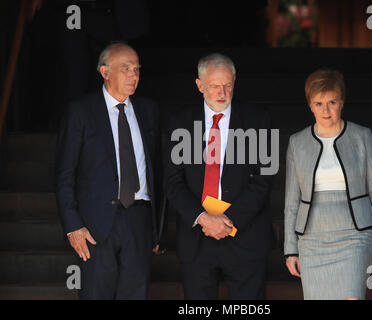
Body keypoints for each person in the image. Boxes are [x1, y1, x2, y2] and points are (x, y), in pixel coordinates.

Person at [164, 53, 274, 299]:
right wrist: (203, 218)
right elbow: (173, 181)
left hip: (246, 235)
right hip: (197, 238)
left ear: (235, 81)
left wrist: (228, 220)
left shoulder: (259, 119)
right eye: (214, 86)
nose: (222, 92)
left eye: (227, 85)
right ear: (200, 85)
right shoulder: (179, 122)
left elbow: (264, 178)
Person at [55, 43, 160, 299]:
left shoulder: (149, 111)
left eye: (136, 69)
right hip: (95, 225)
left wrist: (157, 229)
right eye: (126, 69)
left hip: (139, 221)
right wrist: (73, 226)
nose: (133, 75)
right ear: (104, 71)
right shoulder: (81, 111)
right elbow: (64, 173)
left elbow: (158, 171)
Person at [284, 68, 372, 300]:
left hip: (356, 235)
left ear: (342, 102)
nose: (325, 110)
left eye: (332, 102)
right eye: (318, 103)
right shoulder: (297, 142)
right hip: (312, 238)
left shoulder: (362, 136)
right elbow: (291, 202)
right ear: (309, 105)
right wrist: (290, 248)